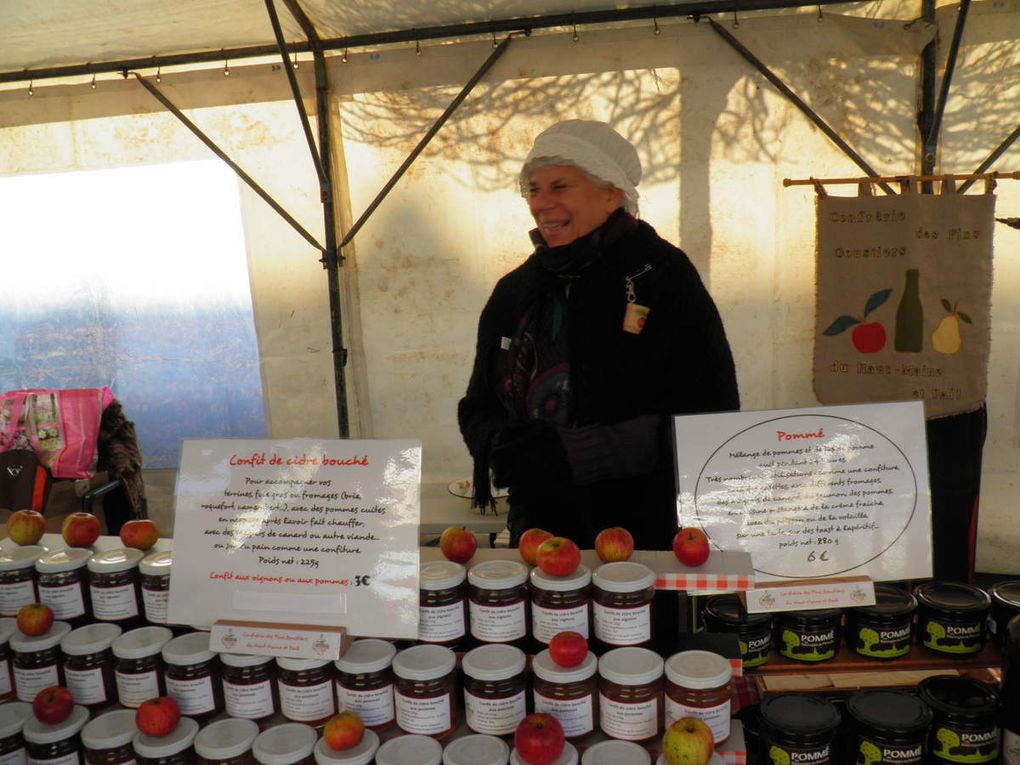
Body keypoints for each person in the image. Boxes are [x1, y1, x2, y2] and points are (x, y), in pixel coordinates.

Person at [458, 119, 739, 552]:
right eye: (533, 189)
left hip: (642, 531)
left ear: (611, 194)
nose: (542, 203)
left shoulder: (660, 275)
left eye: (560, 186)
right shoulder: (517, 291)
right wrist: (503, 446)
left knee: (631, 620)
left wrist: (574, 452)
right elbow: (479, 402)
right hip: (540, 527)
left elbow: (708, 411)